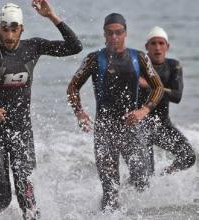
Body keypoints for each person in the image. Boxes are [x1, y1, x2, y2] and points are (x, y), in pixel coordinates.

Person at [0, 1, 82, 219]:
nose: (9, 35)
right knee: (2, 199)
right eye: (4, 28)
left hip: (22, 131)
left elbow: (75, 47)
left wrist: (52, 16)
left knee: (27, 197)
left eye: (13, 29)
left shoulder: (32, 47)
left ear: (21, 29)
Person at [67, 13, 164, 211]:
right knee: (110, 190)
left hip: (131, 128)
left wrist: (144, 110)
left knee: (142, 180)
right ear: (104, 34)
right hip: (105, 131)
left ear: (125, 33)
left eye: (118, 33)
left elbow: (158, 88)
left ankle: (127, 207)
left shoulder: (140, 58)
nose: (114, 37)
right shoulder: (94, 59)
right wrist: (79, 113)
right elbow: (72, 87)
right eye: (109, 33)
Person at [139, 26, 195, 175]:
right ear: (146, 47)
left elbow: (177, 96)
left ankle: (163, 177)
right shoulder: (138, 66)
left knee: (188, 156)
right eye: (153, 43)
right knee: (145, 175)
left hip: (162, 125)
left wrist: (151, 86)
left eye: (161, 43)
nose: (157, 47)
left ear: (167, 46)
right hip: (141, 127)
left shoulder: (173, 66)